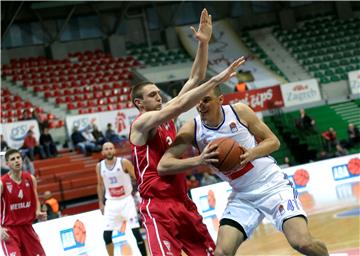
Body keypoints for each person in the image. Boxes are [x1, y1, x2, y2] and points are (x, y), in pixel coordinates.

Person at [158, 87, 329, 256]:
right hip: (242, 195)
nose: (201, 105)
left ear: (220, 100)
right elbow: (163, 165)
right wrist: (199, 160)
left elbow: (274, 142)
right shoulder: (193, 128)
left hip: (273, 186)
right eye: (198, 101)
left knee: (302, 243)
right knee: (221, 253)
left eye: (206, 99)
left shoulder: (238, 111)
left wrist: (251, 153)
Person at [130, 9, 246, 255]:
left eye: (158, 92)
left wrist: (203, 44)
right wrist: (217, 81)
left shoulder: (168, 116)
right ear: (139, 104)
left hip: (183, 201)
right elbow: (181, 103)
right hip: (158, 206)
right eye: (152, 95)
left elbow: (195, 77)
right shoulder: (141, 124)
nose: (158, 96)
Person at [96, 142, 146, 256]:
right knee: (106, 236)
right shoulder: (99, 166)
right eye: (106, 149)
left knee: (136, 233)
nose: (109, 151)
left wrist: (141, 194)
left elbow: (137, 177)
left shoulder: (123, 162)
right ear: (103, 152)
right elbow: (99, 185)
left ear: (114, 150)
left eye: (111, 148)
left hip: (127, 201)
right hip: (111, 203)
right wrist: (100, 202)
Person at [0, 148, 47, 255]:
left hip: (27, 228)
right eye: (13, 159)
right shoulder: (2, 183)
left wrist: (38, 212)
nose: (16, 161)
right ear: (7, 164)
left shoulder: (30, 179)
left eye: (18, 158)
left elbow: (35, 198)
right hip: (9, 230)